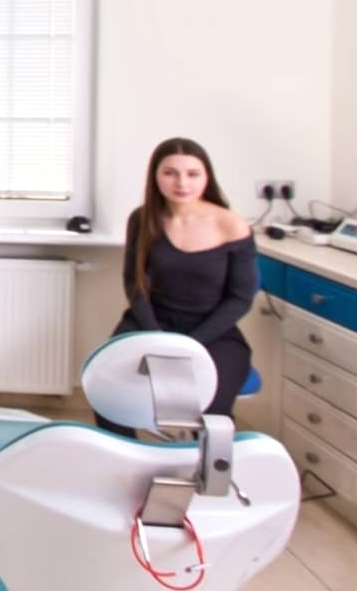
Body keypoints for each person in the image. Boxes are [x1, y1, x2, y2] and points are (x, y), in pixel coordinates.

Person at [96, 136, 258, 437]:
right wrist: (155, 336)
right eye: (170, 172)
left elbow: (239, 299)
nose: (181, 182)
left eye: (192, 173)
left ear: (206, 177)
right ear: (155, 176)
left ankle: (204, 478)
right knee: (108, 393)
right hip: (150, 323)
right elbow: (135, 284)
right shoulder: (143, 219)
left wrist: (191, 344)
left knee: (212, 412)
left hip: (213, 331)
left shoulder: (231, 224)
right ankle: (123, 465)